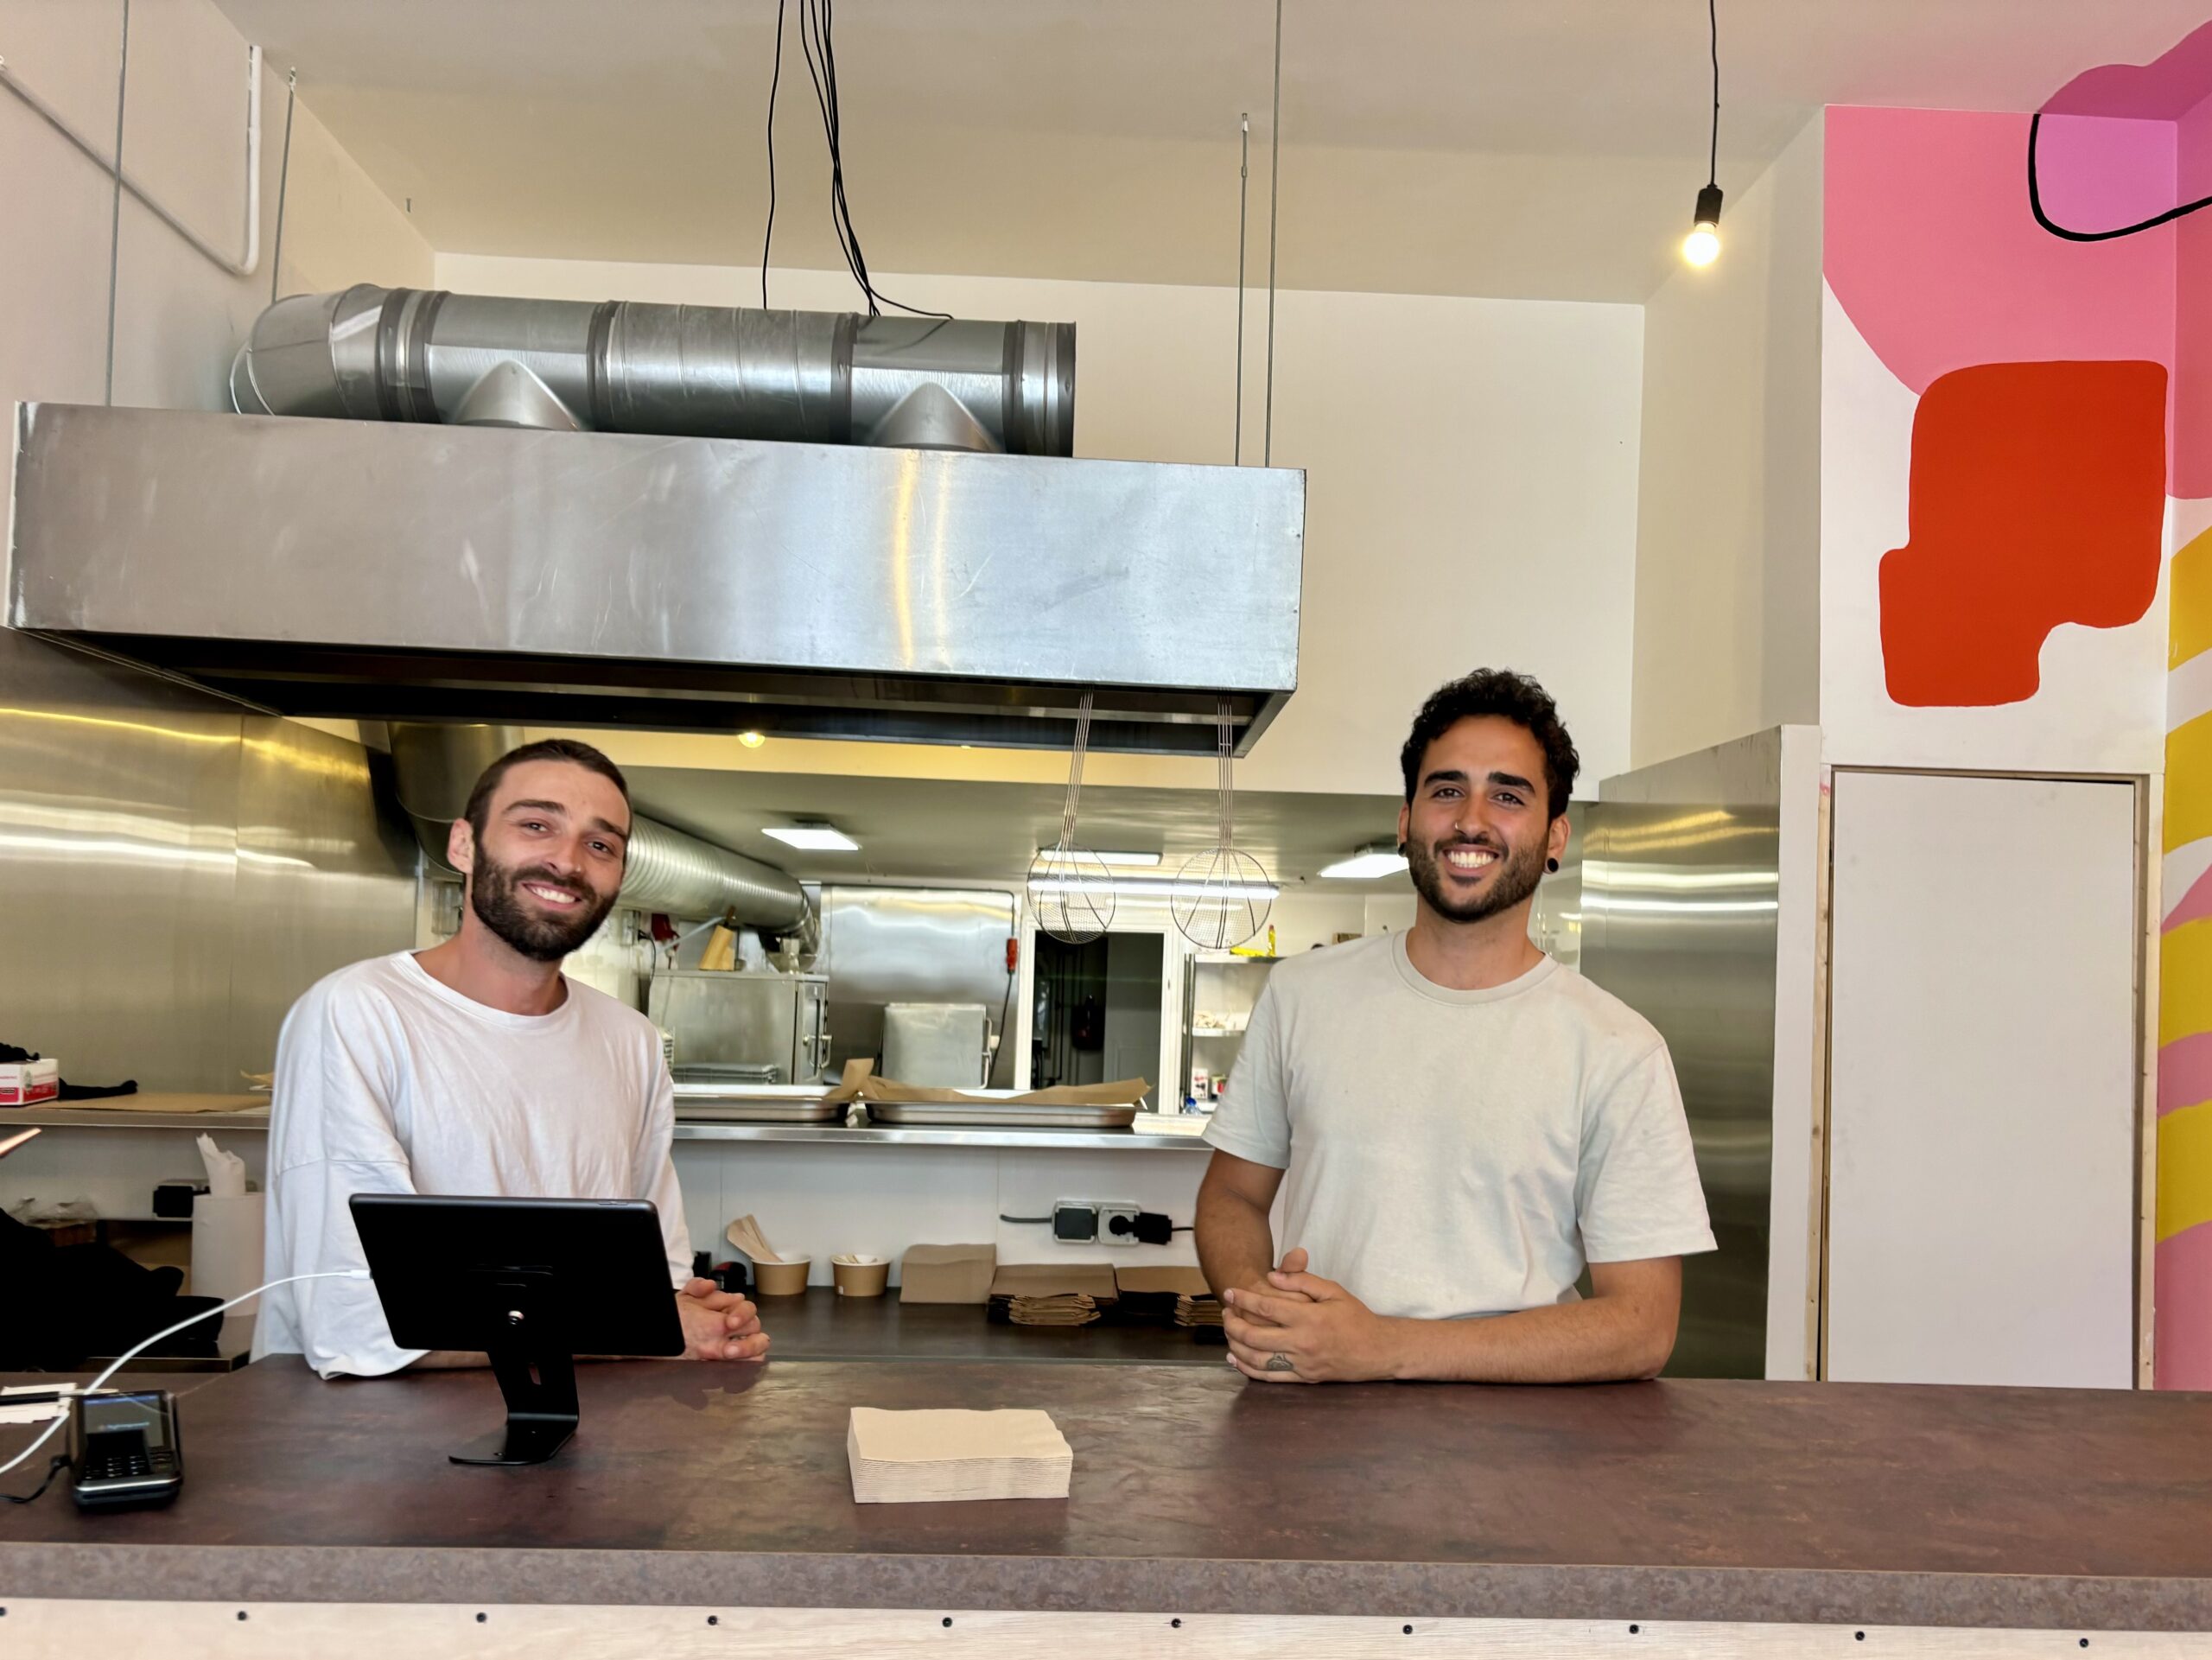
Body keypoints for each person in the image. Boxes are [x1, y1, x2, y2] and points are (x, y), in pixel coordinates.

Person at [1196, 669, 1713, 1384]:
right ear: (1408, 819)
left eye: (1508, 794)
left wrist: (1384, 1347)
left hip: (1522, 1457)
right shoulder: (1302, 993)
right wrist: (1260, 1305)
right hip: (1311, 1425)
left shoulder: (1618, 1049)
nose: (1472, 819)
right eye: (1447, 790)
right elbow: (1231, 1196)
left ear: (1555, 834)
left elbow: (1643, 1324)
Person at [255, 738, 768, 1377]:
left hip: (580, 1439)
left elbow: (649, 1284)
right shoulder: (358, 1014)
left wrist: (701, 1322)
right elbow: (358, 1322)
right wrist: (650, 1328)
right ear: (464, 844)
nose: (568, 861)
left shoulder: (629, 1041)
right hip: (374, 1445)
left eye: (601, 844)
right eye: (536, 825)